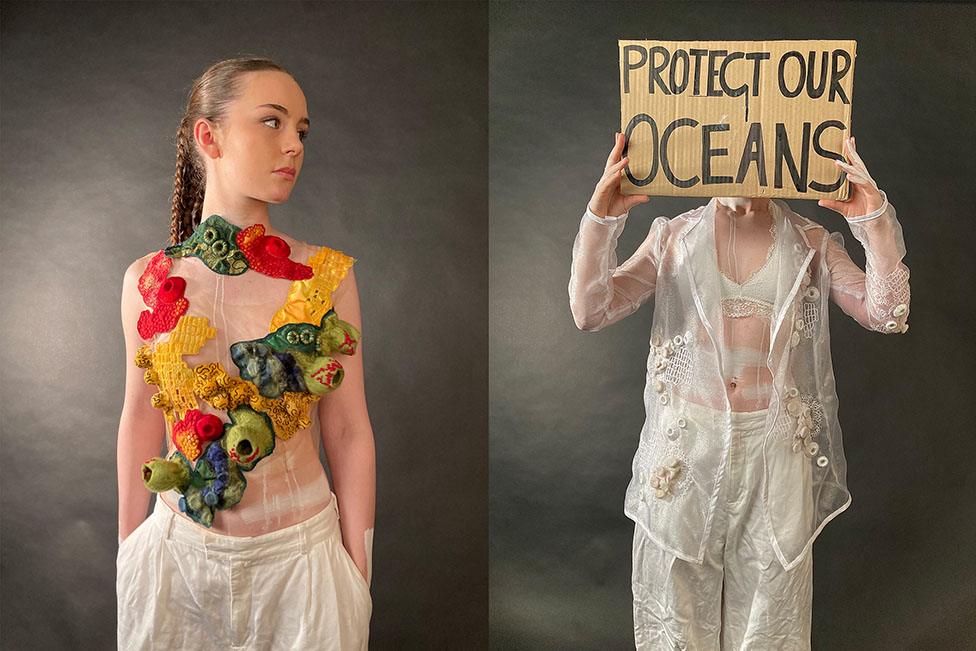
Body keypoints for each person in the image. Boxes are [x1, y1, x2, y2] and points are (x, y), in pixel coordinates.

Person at [569, 132, 910, 649]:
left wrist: (872, 220)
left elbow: (888, 313)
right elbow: (591, 310)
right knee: (674, 606)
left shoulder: (809, 241)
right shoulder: (673, 239)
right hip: (686, 449)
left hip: (775, 450)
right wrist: (602, 220)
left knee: (772, 610)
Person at [116, 57, 375, 650]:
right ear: (209, 136)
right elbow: (139, 415)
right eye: (272, 122)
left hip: (303, 567)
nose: (294, 146)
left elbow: (349, 430)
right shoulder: (146, 281)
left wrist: (358, 575)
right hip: (173, 568)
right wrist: (129, 554)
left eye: (301, 131)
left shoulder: (325, 277)